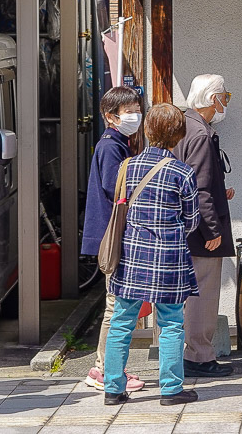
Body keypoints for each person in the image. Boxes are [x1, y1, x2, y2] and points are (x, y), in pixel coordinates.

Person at [102, 103, 200, 407]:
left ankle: (112, 388)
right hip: (169, 257)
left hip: (131, 255)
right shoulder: (182, 173)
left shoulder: (127, 166)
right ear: (179, 135)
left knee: (122, 320)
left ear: (147, 130)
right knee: (171, 322)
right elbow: (192, 220)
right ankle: (171, 390)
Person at [81, 87, 147, 393]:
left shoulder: (119, 143)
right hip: (114, 236)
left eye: (137, 108)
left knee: (117, 304)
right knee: (115, 305)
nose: (135, 114)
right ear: (110, 116)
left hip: (112, 234)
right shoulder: (111, 146)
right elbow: (115, 189)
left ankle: (105, 367)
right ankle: (104, 370)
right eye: (129, 110)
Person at [170, 74, 236, 377]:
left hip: (184, 225)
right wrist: (212, 230)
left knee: (192, 294)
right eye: (225, 96)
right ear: (213, 99)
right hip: (199, 231)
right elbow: (201, 188)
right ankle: (199, 355)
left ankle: (193, 352)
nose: (226, 102)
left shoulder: (185, 126)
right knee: (204, 295)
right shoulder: (200, 134)